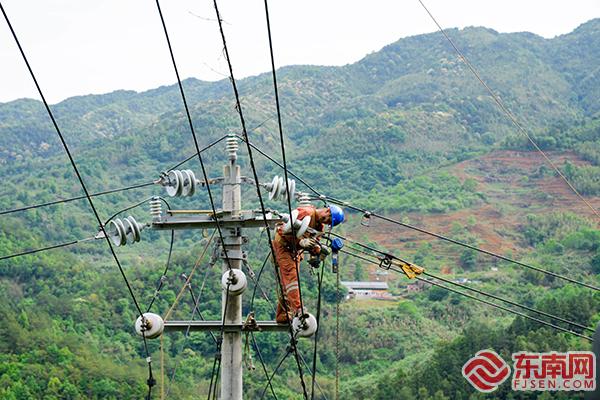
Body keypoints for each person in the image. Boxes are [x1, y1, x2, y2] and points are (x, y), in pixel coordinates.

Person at [273, 204, 344, 323]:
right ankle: (298, 310)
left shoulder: (318, 227)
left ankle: (283, 315)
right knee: (292, 279)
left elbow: (315, 242)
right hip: (284, 247)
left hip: (295, 250)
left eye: (328, 223)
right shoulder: (306, 213)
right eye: (327, 219)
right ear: (327, 211)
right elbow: (283, 230)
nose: (326, 222)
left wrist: (316, 252)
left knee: (287, 285)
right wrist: (300, 242)